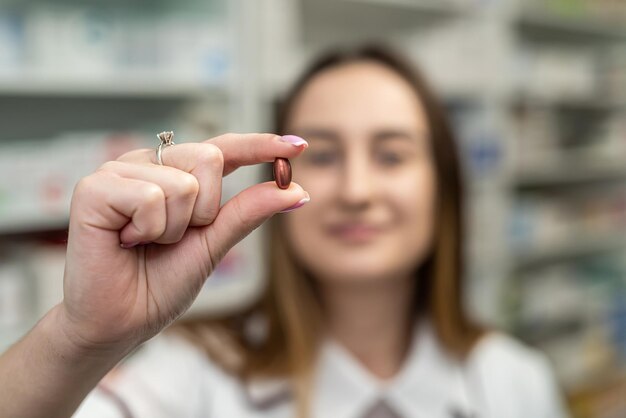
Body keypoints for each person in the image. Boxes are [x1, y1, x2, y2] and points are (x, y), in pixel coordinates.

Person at [0, 44, 570, 418]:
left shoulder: (514, 382)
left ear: (444, 187)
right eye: (320, 155)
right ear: (278, 174)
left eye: (391, 156)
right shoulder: (187, 376)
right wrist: (79, 340)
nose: (356, 190)